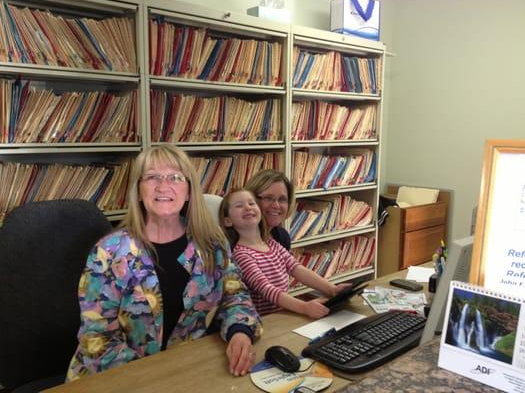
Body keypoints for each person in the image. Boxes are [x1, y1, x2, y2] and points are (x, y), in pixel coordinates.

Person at [66, 145, 262, 382]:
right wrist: (159, 379)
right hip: (117, 380)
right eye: (151, 177)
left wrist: (239, 332)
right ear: (138, 191)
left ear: (189, 191)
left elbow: (235, 296)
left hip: (188, 372)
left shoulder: (211, 243)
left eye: (176, 177)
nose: (163, 185)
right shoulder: (108, 252)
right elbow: (97, 340)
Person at [219, 188, 351, 318]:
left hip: (284, 314)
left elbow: (297, 268)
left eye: (251, 203)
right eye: (239, 206)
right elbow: (266, 289)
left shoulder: (272, 244)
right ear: (228, 221)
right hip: (266, 321)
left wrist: (332, 289)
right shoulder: (241, 254)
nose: (247, 208)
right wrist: (304, 307)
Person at [244, 169, 294, 251]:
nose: (276, 205)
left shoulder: (282, 237)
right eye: (268, 198)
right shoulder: (235, 241)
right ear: (251, 199)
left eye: (282, 199)